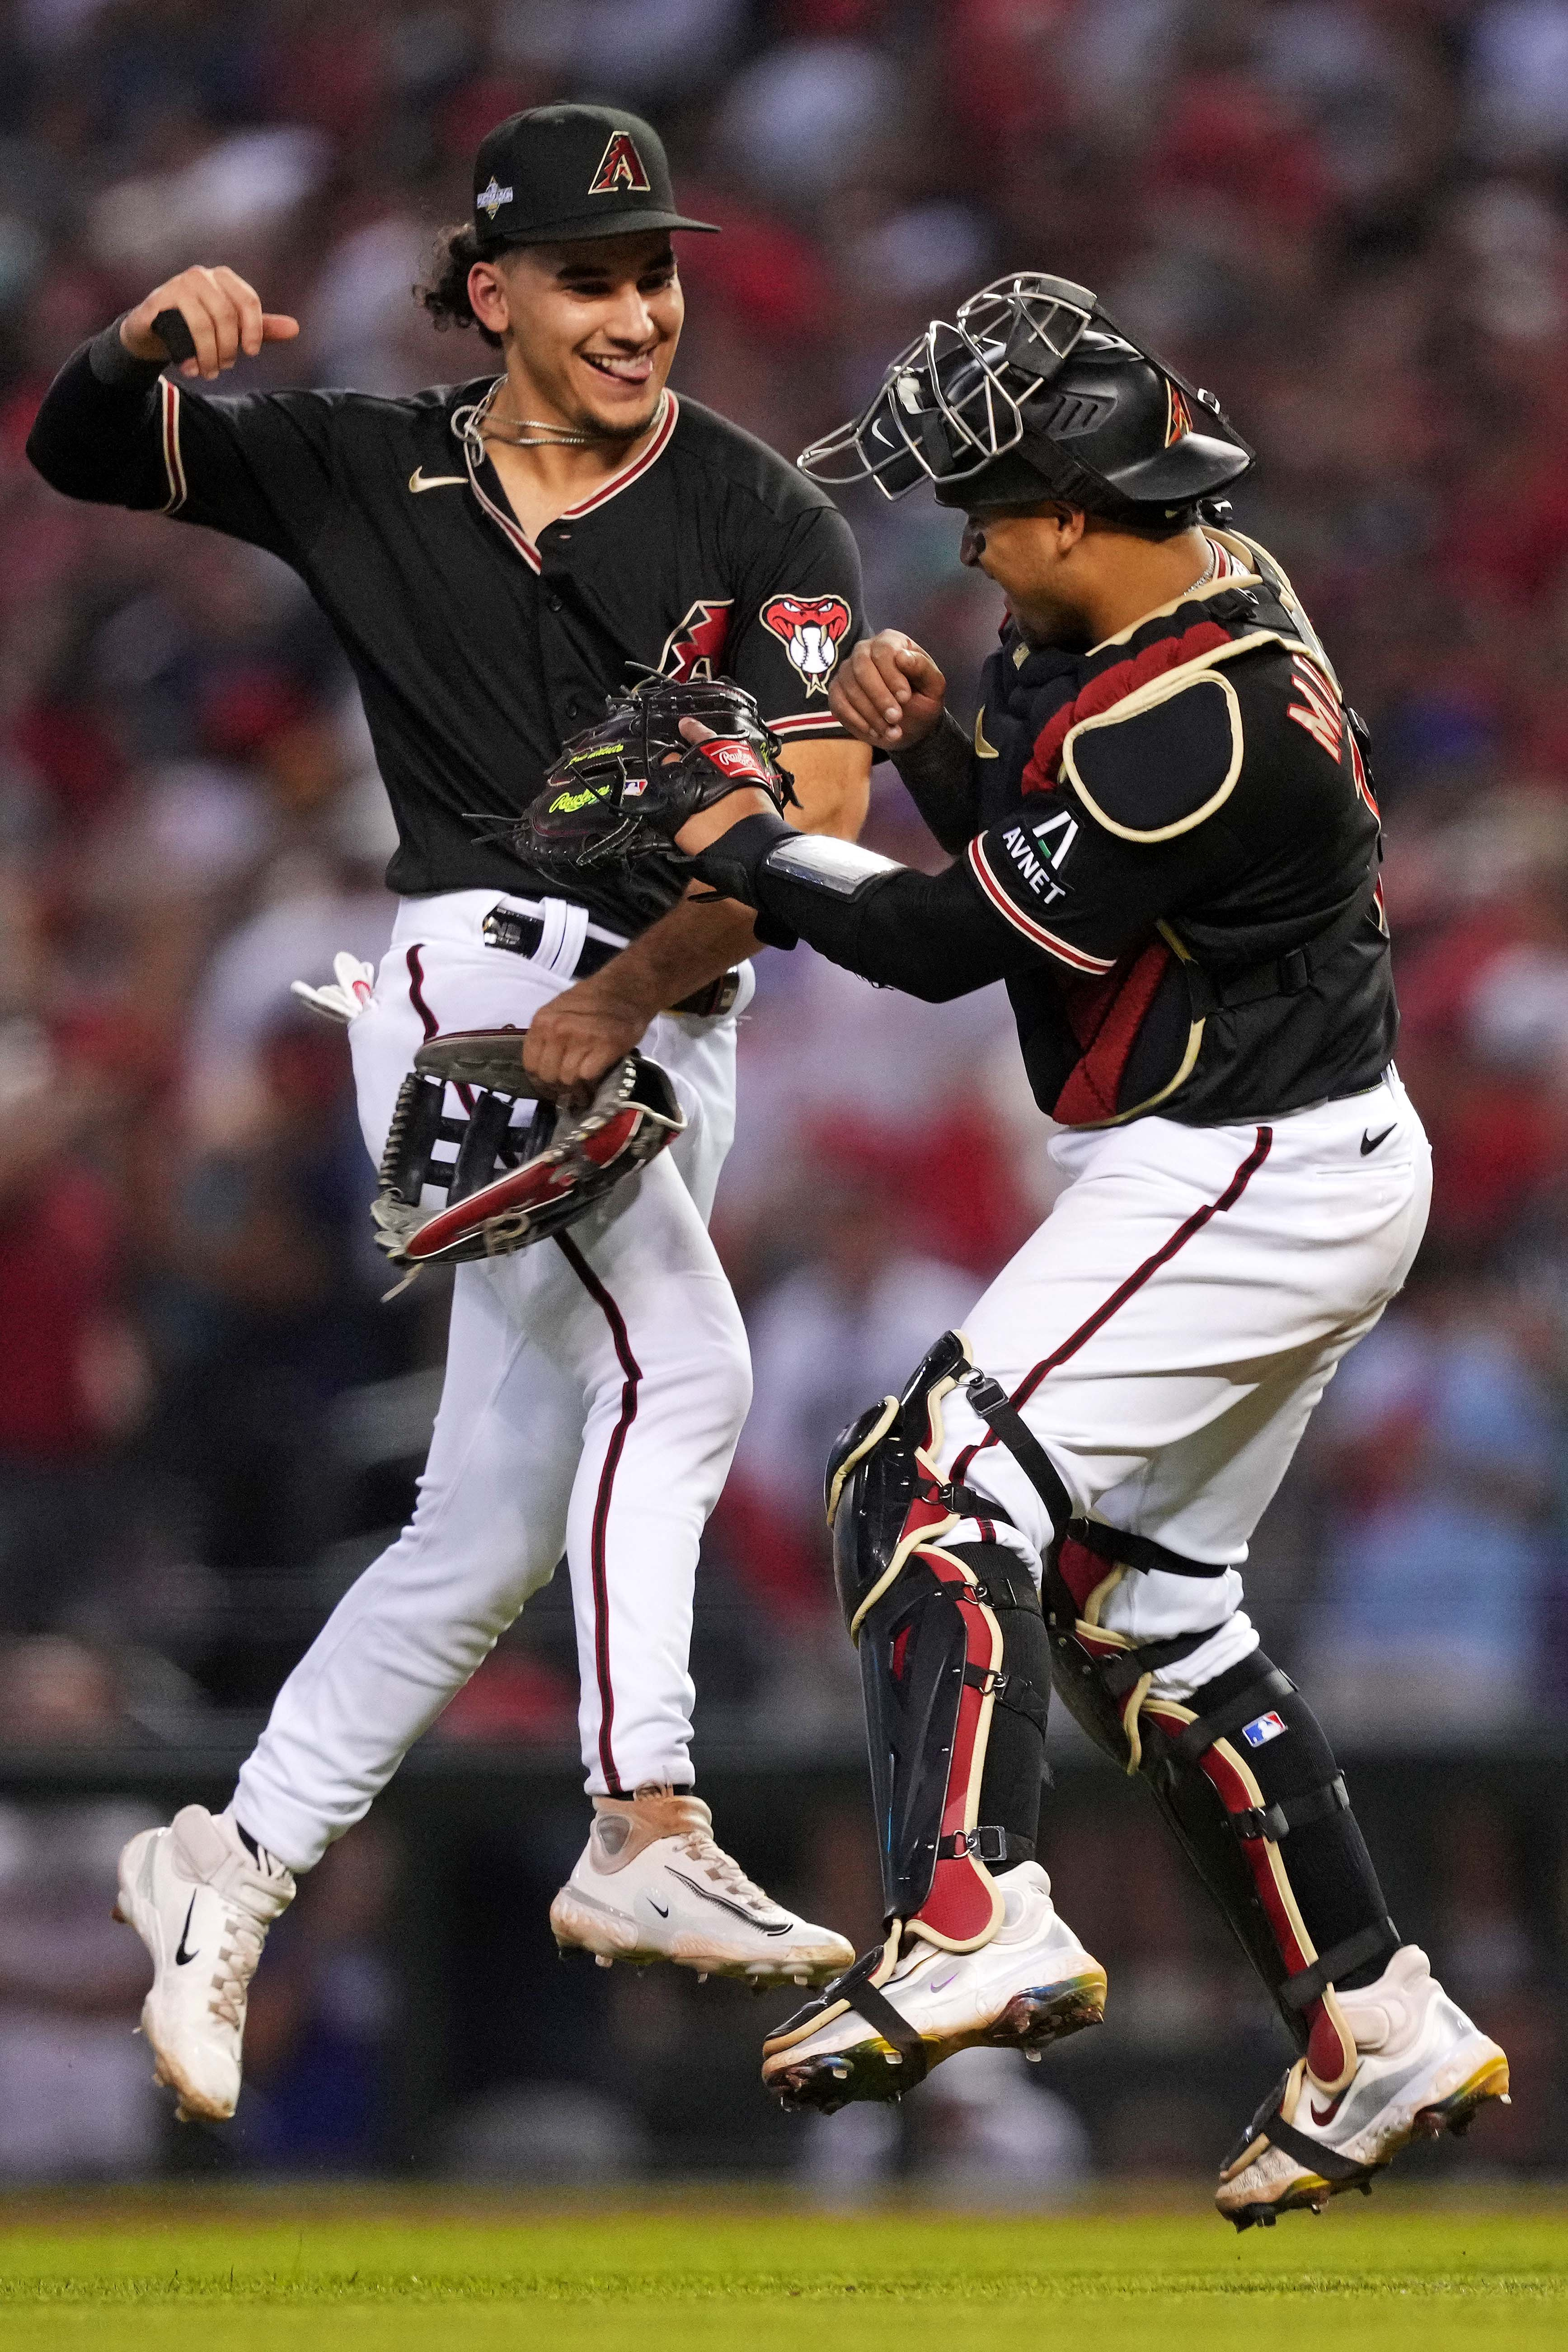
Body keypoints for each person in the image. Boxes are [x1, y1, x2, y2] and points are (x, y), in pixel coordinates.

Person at [638, 274, 1511, 2227]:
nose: (965, 541)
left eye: (988, 508)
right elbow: (1047, 878)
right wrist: (940, 756)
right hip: (1280, 1149)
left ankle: (973, 1907)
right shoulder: (1165, 599)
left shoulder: (1186, 719)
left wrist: (740, 840)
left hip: (1241, 1167)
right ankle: (1376, 2016)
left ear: (1074, 505)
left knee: (922, 1486)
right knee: (1147, 1610)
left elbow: (956, 951)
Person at [28, 102, 865, 2126]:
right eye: (591, 272)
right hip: (479, 977)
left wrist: (696, 908)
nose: (637, 308)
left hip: (666, 999)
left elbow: (826, 805)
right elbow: (77, 450)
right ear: (494, 292)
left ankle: (229, 1859)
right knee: (688, 1365)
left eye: (655, 269)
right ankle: (643, 1809)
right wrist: (138, 350)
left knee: (483, 1523)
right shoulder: (364, 458)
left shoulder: (761, 512)